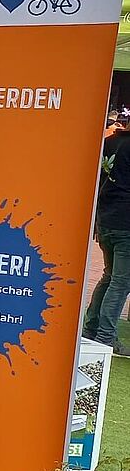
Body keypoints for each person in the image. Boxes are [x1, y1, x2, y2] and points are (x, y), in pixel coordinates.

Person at [84, 112, 130, 356]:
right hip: (125, 223)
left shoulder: (110, 142)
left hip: (105, 219)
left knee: (110, 276)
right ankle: (105, 337)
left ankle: (91, 329)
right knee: (121, 282)